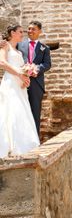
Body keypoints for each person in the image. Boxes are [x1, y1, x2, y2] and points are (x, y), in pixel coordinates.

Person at [0, 24, 39, 157]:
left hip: (20, 86)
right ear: (12, 33)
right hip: (10, 83)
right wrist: (19, 74)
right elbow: (2, 63)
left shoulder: (20, 52)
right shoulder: (5, 46)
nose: (23, 34)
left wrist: (26, 79)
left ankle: (24, 144)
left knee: (22, 111)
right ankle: (12, 146)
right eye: (20, 32)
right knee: (12, 109)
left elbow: (22, 69)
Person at [17, 21, 51, 136]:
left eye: (33, 29)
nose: (30, 31)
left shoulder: (44, 48)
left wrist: (37, 69)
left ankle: (34, 141)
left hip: (36, 84)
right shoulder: (19, 44)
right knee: (19, 110)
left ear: (39, 31)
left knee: (35, 112)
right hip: (20, 81)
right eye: (29, 29)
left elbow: (47, 64)